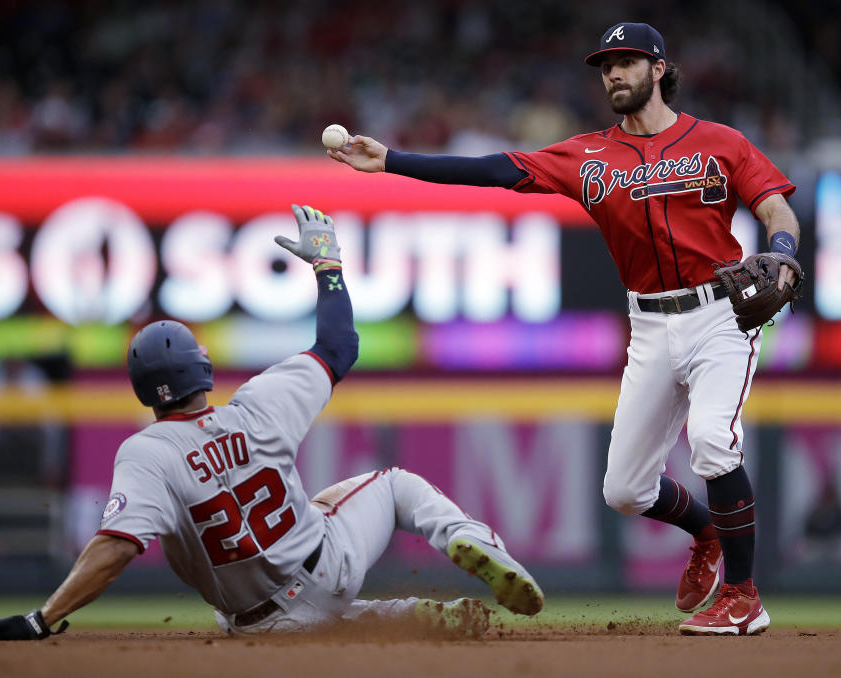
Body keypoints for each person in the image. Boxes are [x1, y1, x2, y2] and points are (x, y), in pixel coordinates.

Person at [328, 22, 800, 636]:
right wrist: (392, 161)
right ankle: (708, 532)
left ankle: (742, 596)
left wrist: (783, 250)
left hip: (719, 314)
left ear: (659, 69)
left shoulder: (718, 142)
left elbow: (773, 205)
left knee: (712, 440)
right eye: (606, 65)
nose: (613, 74)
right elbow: (491, 170)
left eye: (627, 62)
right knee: (625, 491)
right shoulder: (586, 155)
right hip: (649, 325)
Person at [0, 204, 544, 641]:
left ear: (144, 393)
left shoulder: (147, 454)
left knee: (301, 593)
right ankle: (472, 550)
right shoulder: (259, 404)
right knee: (391, 486)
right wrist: (328, 266)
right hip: (330, 568)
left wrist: (44, 619)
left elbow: (115, 549)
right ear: (204, 369)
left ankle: (408, 618)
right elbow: (340, 344)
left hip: (261, 626)